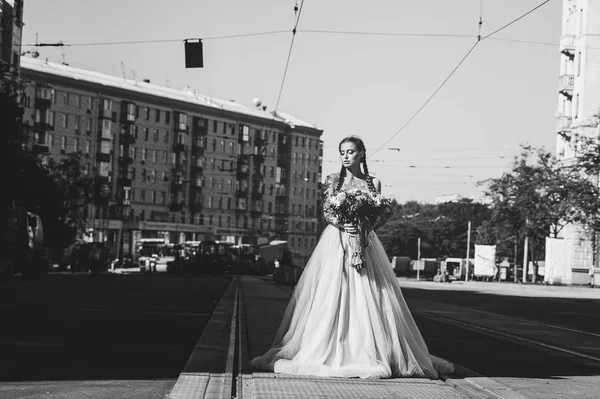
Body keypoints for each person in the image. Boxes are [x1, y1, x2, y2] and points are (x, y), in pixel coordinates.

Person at [250, 136, 452, 379]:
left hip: (365, 242)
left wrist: (363, 224)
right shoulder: (333, 181)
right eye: (342, 152)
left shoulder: (373, 182)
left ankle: (372, 348)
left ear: (362, 154)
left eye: (351, 152)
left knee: (371, 293)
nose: (346, 156)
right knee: (333, 291)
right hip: (337, 242)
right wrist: (345, 224)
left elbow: (380, 214)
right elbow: (327, 211)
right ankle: (330, 346)